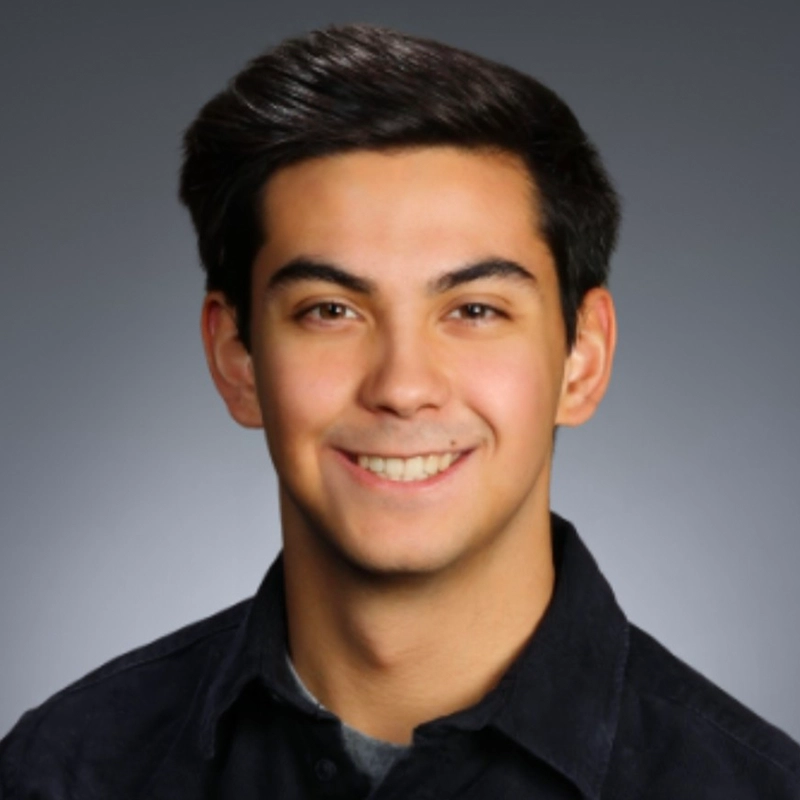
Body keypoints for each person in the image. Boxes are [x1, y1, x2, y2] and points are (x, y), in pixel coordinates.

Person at [1, 22, 798, 799]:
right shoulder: (62, 771)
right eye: (330, 311)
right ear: (237, 360)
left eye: (476, 310)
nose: (402, 385)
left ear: (581, 359)